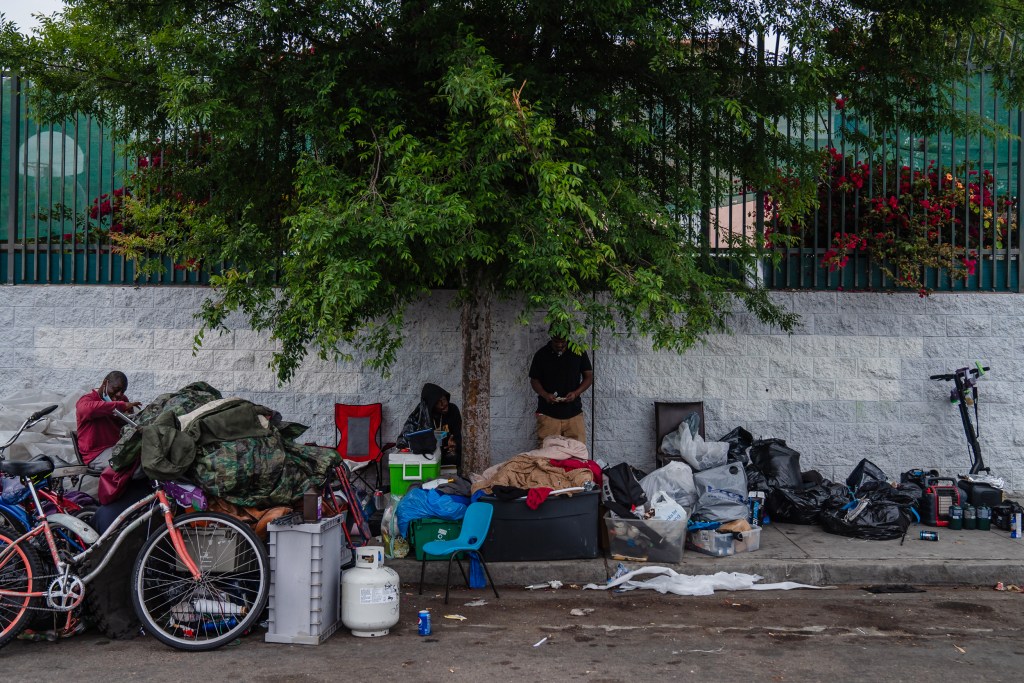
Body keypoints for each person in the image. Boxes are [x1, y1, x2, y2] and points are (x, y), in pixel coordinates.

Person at [529, 330, 594, 445]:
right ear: (551, 336)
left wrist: (576, 393)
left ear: (568, 336)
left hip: (574, 414)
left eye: (562, 342)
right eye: (556, 342)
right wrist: (545, 394)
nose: (559, 345)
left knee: (577, 454)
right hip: (548, 415)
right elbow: (534, 380)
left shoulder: (578, 352)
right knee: (547, 457)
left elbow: (588, 377)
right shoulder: (541, 354)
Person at [75, 371, 140, 469]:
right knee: (134, 465)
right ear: (105, 383)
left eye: (122, 391)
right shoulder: (88, 399)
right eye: (116, 389)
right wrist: (120, 406)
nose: (119, 394)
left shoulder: (121, 399)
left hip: (117, 447)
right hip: (96, 454)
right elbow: (87, 410)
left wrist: (127, 415)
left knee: (146, 457)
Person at [396, 383, 462, 471]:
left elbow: (457, 434)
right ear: (431, 405)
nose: (443, 404)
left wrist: (454, 444)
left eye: (444, 399)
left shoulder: (453, 409)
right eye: (438, 402)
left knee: (454, 458)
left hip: (447, 454)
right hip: (429, 455)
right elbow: (406, 437)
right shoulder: (422, 413)